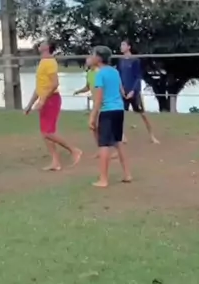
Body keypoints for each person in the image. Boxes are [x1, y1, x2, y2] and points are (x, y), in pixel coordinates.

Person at [24, 40, 82, 171]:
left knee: (47, 132)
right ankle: (55, 162)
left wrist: (43, 100)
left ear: (48, 47)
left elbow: (55, 84)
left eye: (43, 43)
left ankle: (74, 150)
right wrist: (30, 104)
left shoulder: (50, 62)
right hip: (45, 99)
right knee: (45, 133)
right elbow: (40, 87)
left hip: (51, 99)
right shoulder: (43, 62)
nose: (40, 44)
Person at [89, 45, 132, 188]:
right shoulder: (115, 71)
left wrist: (92, 117)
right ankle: (127, 174)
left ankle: (103, 179)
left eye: (93, 54)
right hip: (119, 110)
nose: (91, 57)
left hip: (107, 111)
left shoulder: (100, 74)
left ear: (99, 58)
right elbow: (121, 90)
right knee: (118, 142)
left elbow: (98, 99)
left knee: (104, 145)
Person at [118, 40, 160, 144]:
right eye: (121, 45)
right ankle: (122, 136)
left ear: (129, 47)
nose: (121, 47)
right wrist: (121, 89)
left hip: (134, 92)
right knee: (119, 114)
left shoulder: (135, 60)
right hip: (123, 91)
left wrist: (133, 91)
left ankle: (152, 136)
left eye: (123, 45)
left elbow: (138, 77)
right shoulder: (120, 60)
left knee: (143, 115)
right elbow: (119, 76)